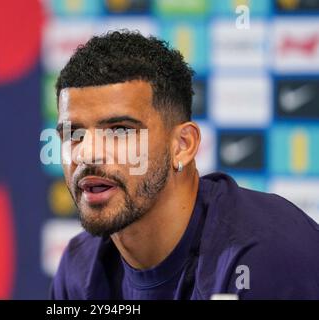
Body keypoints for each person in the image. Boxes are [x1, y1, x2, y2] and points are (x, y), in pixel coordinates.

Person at [50, 30, 319, 300]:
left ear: (183, 145)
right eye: (74, 135)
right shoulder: (79, 270)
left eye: (120, 130)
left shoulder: (262, 256)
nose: (87, 154)